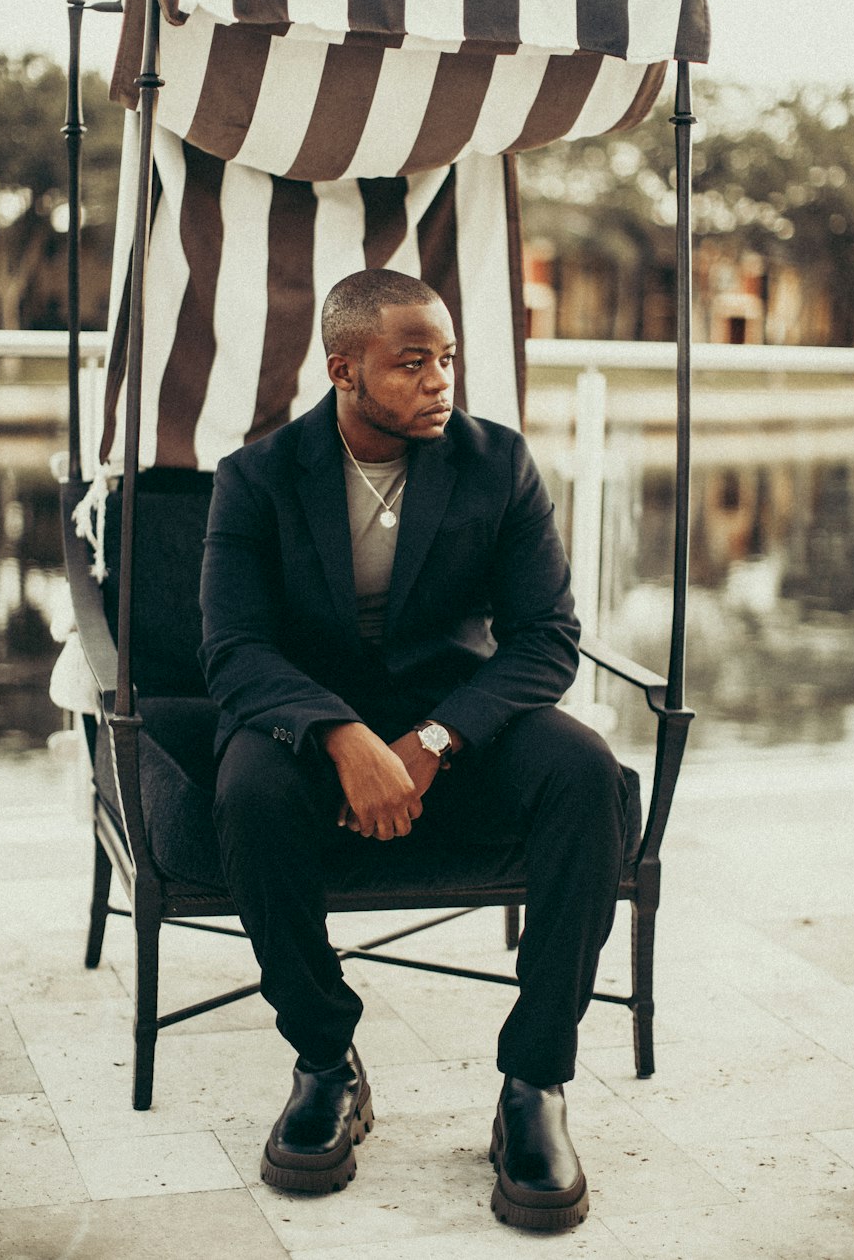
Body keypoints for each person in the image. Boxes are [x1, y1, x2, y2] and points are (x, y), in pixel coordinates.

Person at [199, 268, 628, 1232]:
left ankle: (534, 1084)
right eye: (412, 363)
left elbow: (545, 638)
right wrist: (345, 737)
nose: (440, 380)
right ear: (342, 368)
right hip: (304, 733)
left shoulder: (496, 464)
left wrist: (436, 738)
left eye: (447, 359)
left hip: (456, 722)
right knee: (249, 793)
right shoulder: (256, 478)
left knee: (583, 769)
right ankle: (324, 1063)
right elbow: (234, 651)